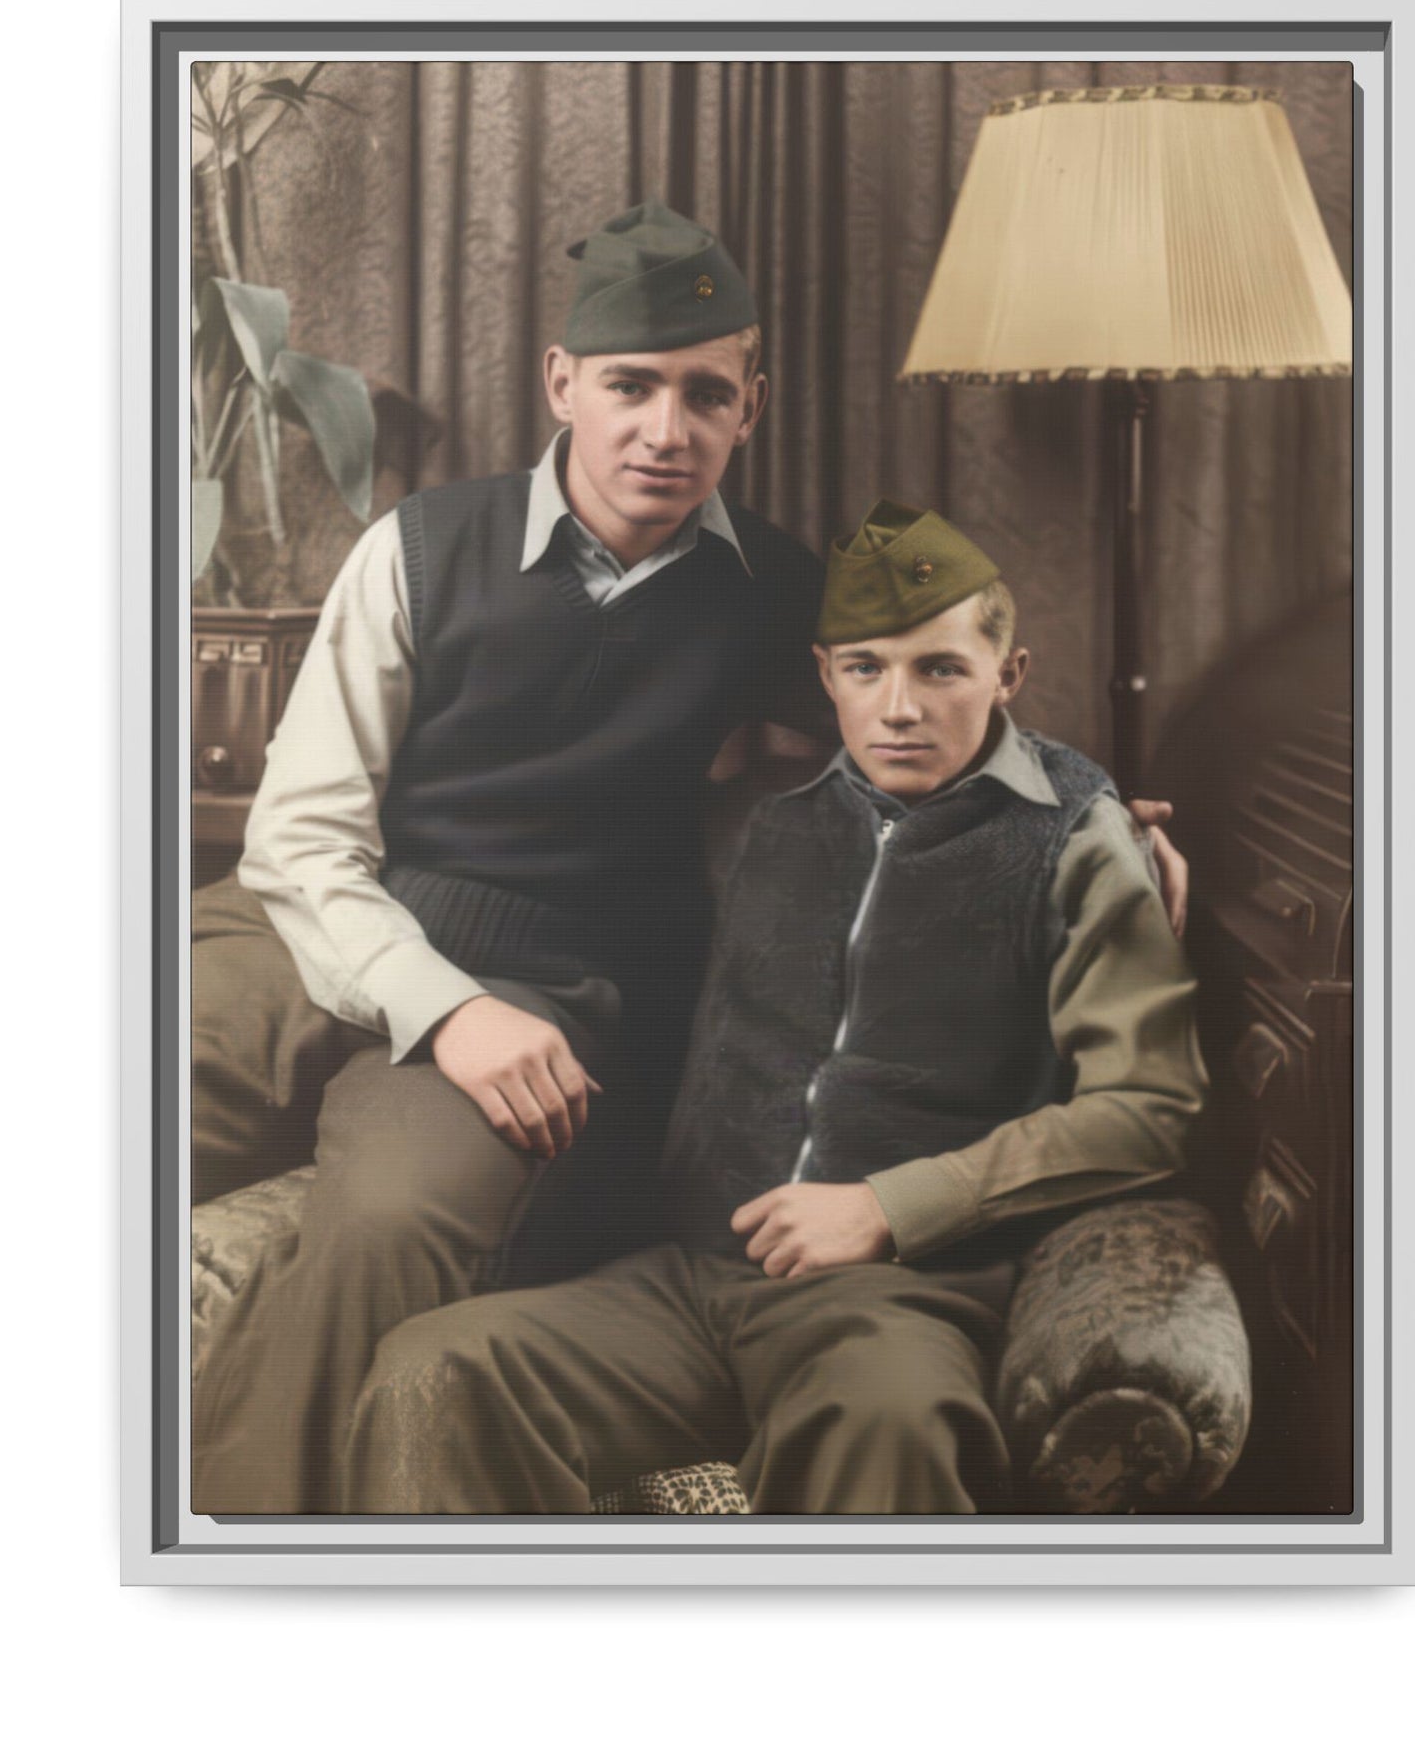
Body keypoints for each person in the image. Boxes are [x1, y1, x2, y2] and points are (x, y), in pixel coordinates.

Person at [190, 203, 1192, 1516]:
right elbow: (301, 835)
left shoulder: (776, 591)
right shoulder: (422, 548)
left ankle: (256, 1560)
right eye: (630, 386)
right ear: (562, 383)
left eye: (704, 393)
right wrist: (440, 1003)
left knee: (390, 1216)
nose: (665, 430)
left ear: (749, 407)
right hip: (302, 911)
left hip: (542, 976)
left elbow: (930, 698)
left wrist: (1096, 816)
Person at [341, 501, 1209, 1516]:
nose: (898, 708)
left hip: (893, 1296)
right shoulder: (756, 819)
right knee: (436, 1371)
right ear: (823, 675)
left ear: (1007, 674)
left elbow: (1148, 1108)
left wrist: (889, 1207)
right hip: (683, 1279)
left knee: (890, 1421)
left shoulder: (1074, 839)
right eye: (865, 668)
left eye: (940, 669)